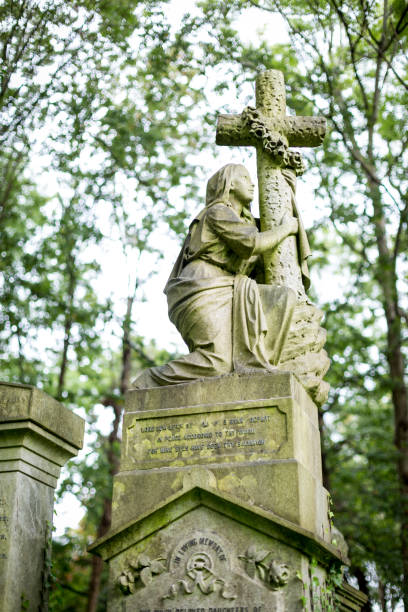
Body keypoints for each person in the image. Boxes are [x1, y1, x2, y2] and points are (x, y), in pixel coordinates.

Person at [133, 163, 298, 388]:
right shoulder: (218, 212)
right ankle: (148, 382)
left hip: (229, 289)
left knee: (281, 299)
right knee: (217, 363)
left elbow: (263, 243)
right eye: (244, 177)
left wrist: (288, 189)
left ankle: (259, 371)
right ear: (229, 184)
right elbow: (253, 243)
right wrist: (286, 229)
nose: (252, 183)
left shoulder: (246, 222)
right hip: (201, 287)